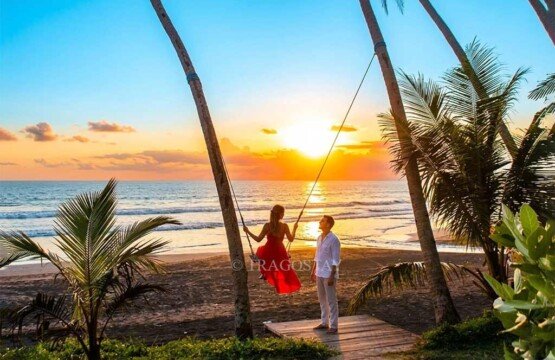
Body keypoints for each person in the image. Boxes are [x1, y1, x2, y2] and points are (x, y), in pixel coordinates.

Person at [243, 205, 301, 294]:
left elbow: (258, 239)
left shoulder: (267, 226)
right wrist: (294, 229)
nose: (283, 215)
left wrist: (248, 231)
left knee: (263, 256)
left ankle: (264, 273)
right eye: (283, 213)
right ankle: (267, 273)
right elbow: (291, 239)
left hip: (268, 251)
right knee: (284, 269)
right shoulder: (284, 226)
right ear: (280, 214)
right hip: (279, 251)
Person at [311, 215, 340, 334]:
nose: (320, 222)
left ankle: (333, 325)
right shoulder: (319, 237)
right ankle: (324, 322)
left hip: (328, 274)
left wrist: (332, 276)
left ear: (328, 224)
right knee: (322, 299)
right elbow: (317, 256)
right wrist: (313, 270)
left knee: (331, 300)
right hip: (319, 272)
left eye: (322, 221)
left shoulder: (334, 239)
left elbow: (336, 259)